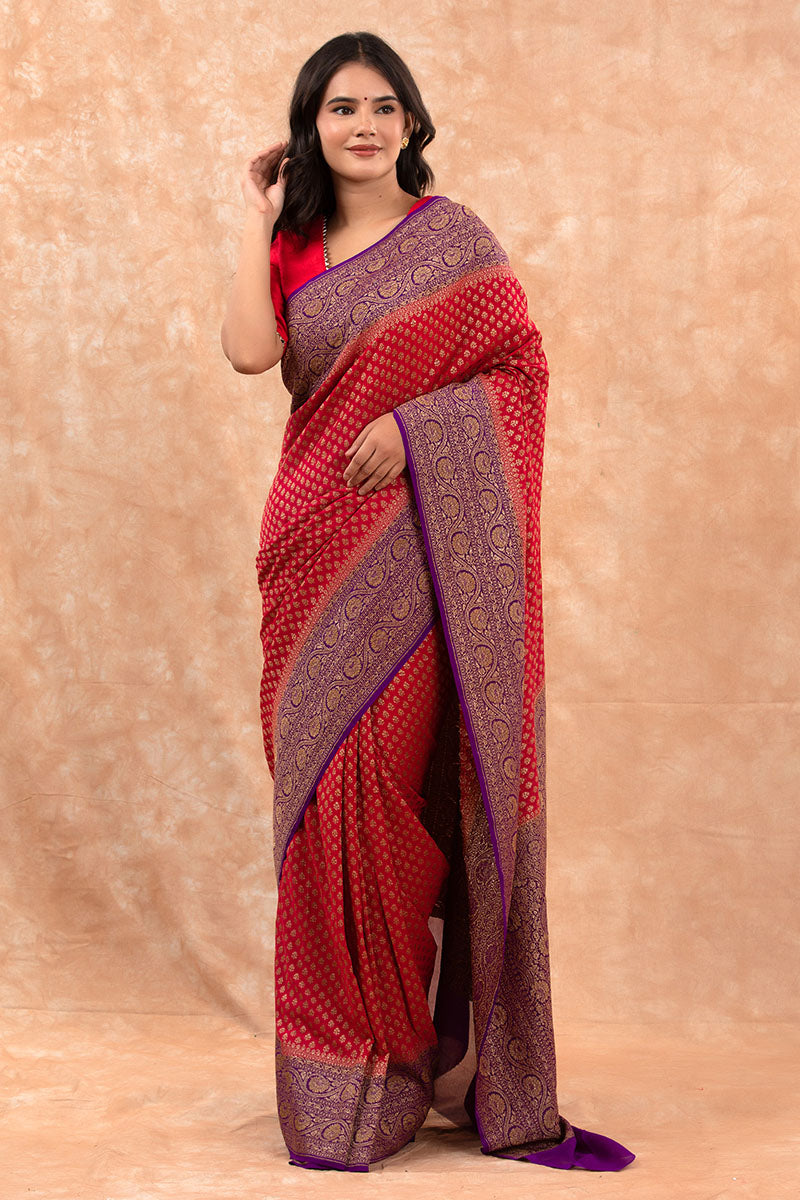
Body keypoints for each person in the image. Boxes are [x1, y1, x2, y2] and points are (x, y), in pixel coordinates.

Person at [220, 31, 636, 1175]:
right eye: (339, 108)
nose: (362, 124)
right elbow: (247, 356)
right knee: (318, 818)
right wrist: (252, 215)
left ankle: (411, 1063)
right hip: (306, 546)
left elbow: (515, 375)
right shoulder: (294, 241)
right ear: (310, 125)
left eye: (382, 106)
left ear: (411, 123)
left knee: (387, 806)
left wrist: (414, 430)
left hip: (414, 555)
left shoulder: (452, 242)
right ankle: (338, 1084)